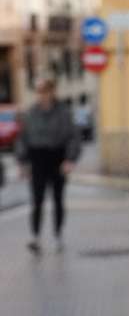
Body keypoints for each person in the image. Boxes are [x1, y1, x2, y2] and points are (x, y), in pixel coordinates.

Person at [16, 78, 81, 254]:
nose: (43, 95)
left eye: (46, 91)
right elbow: (22, 139)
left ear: (53, 92)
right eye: (40, 92)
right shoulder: (31, 113)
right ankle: (35, 237)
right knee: (37, 200)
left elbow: (74, 137)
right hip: (37, 159)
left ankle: (58, 234)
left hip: (57, 158)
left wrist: (69, 159)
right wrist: (22, 162)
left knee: (58, 200)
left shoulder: (63, 112)